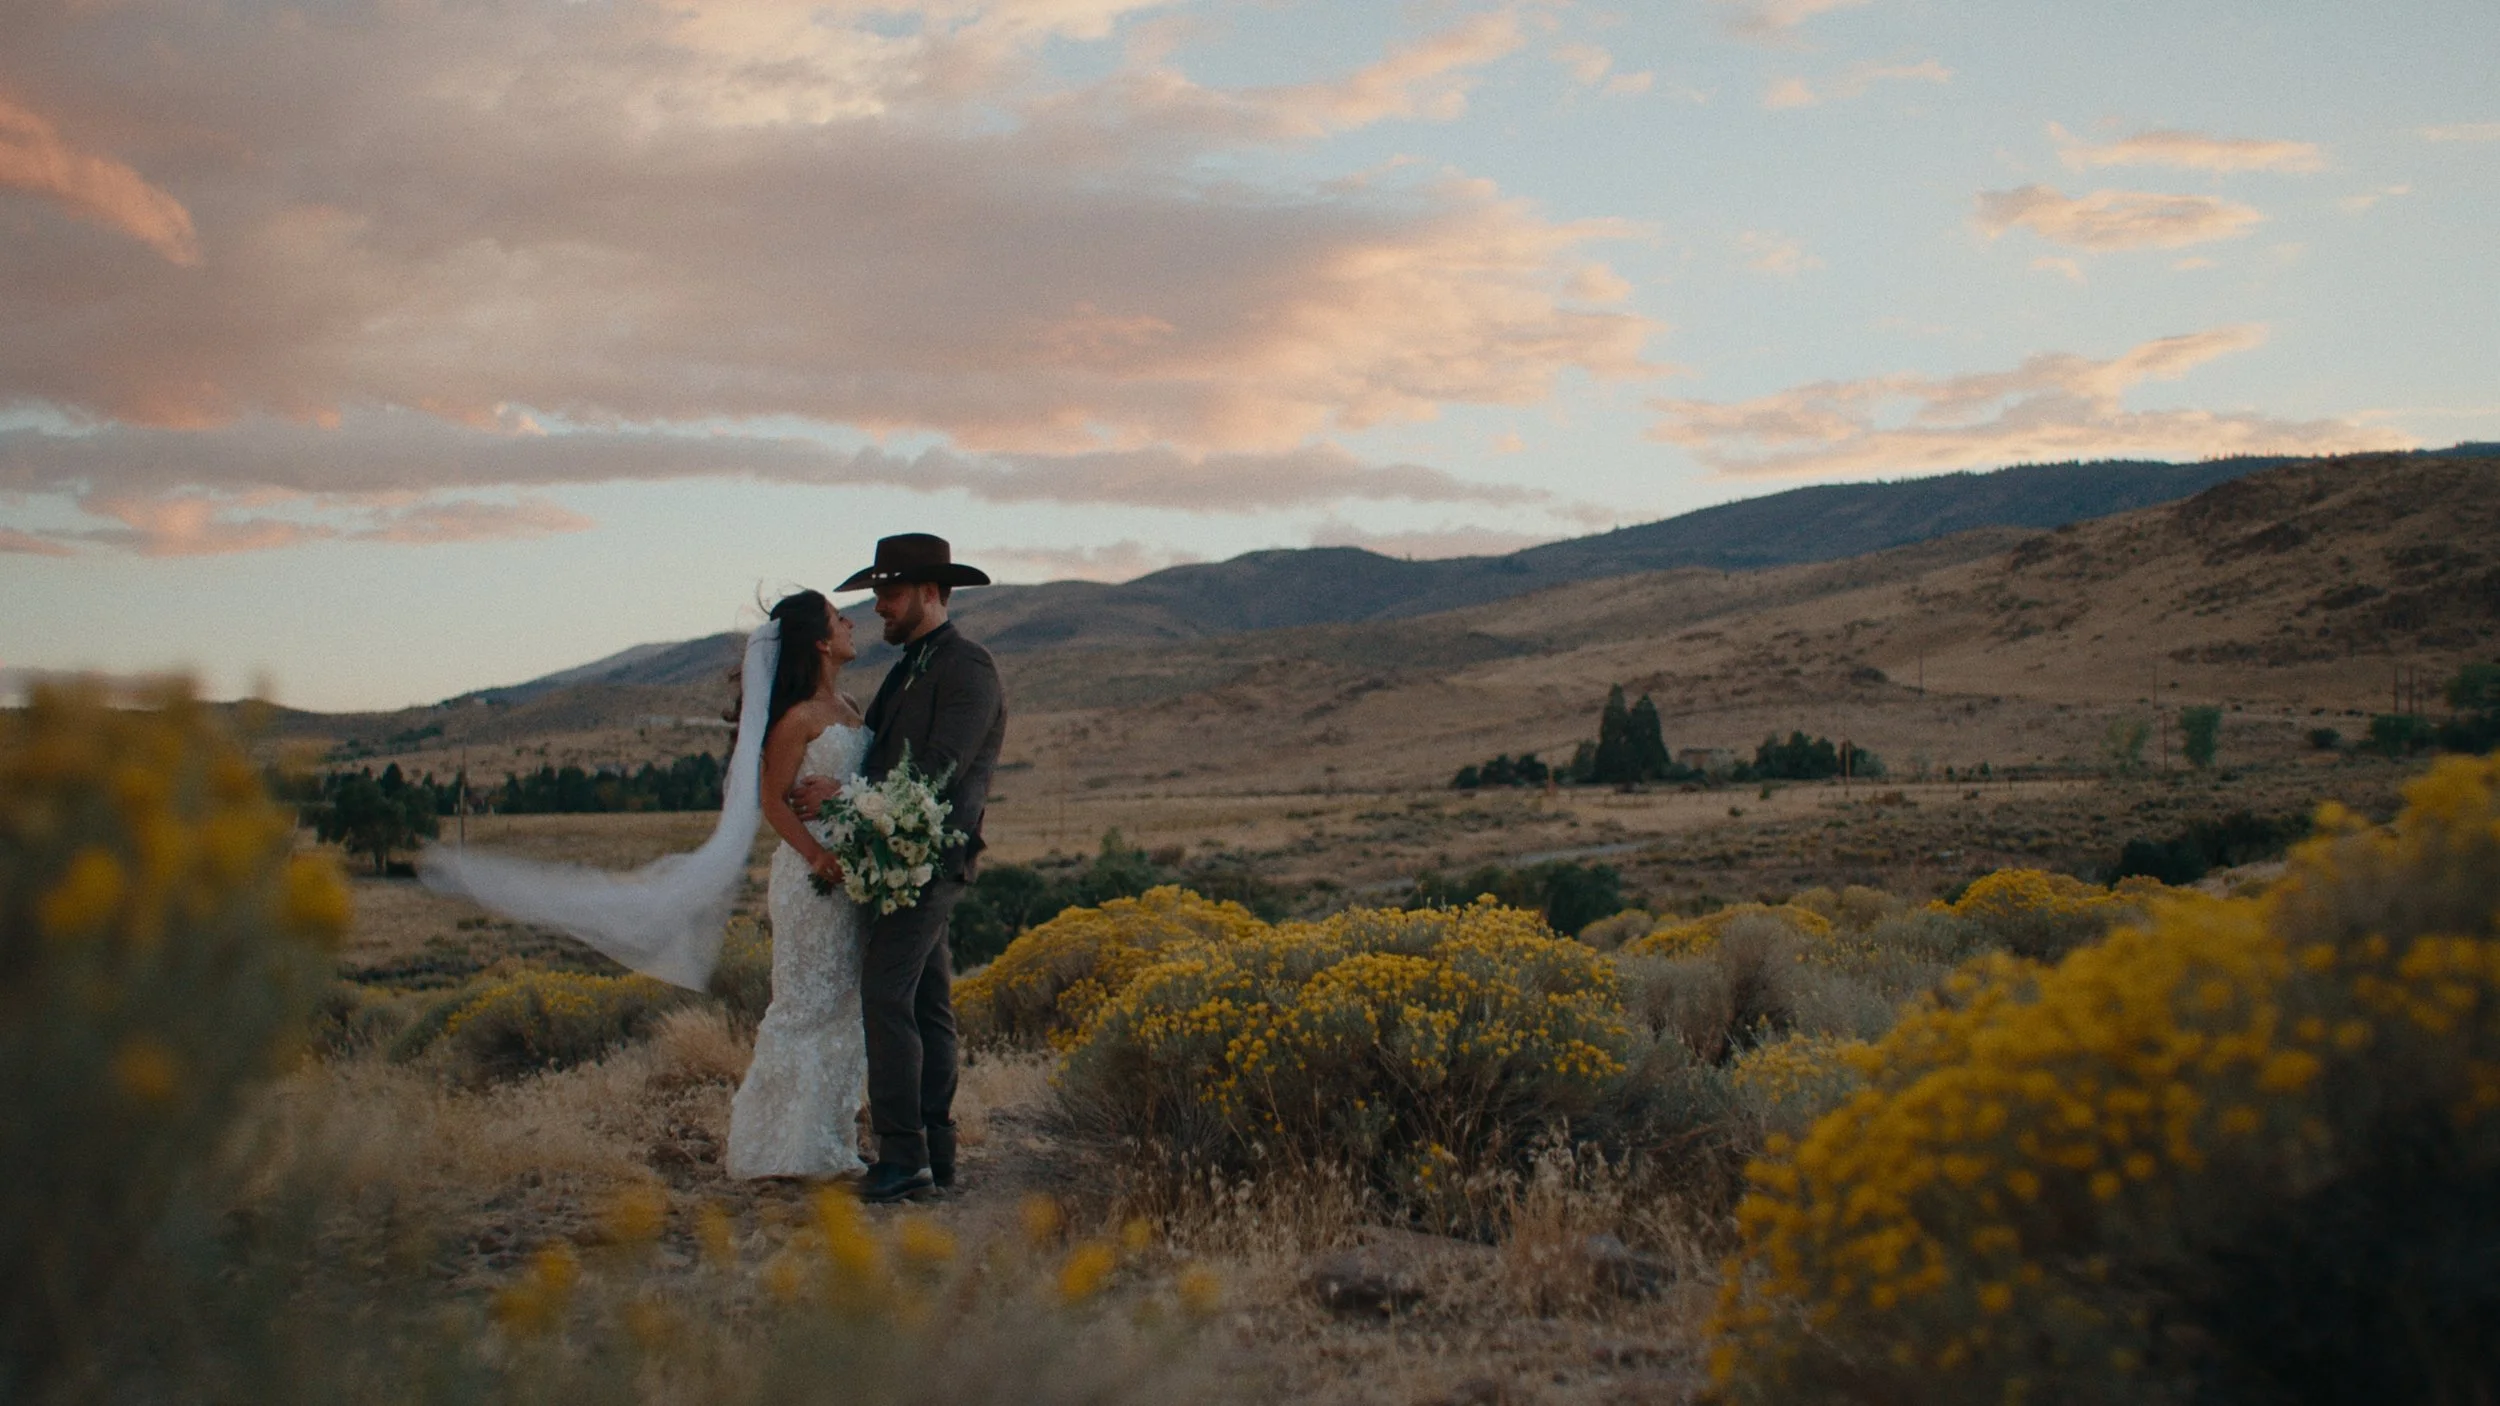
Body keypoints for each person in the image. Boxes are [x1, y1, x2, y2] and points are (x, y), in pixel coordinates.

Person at [794, 534, 1004, 1203]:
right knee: (924, 1002)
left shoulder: (968, 668)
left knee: (886, 994)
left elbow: (939, 769)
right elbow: (875, 757)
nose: (879, 605)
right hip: (895, 860)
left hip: (931, 860)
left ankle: (903, 1155)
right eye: (878, 592)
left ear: (931, 592)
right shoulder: (907, 668)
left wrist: (846, 798)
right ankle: (934, 1155)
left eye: (891, 593)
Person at [723, 589, 873, 1180]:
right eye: (838, 618)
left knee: (843, 1007)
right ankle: (776, 1149)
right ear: (820, 642)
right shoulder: (798, 718)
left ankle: (826, 1141)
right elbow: (772, 800)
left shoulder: (849, 705)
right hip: (811, 880)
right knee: (805, 1005)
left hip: (851, 875)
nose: (850, 622)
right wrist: (816, 856)